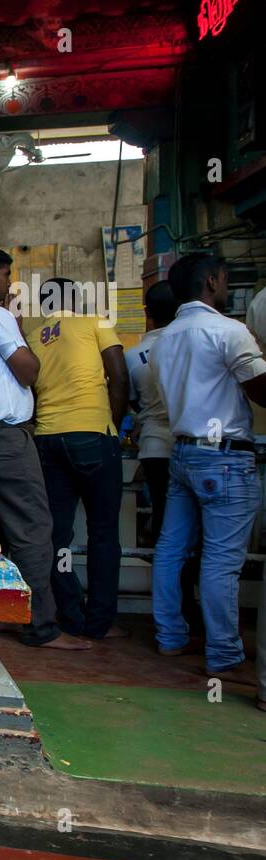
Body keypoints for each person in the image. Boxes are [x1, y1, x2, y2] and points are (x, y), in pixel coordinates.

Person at [151, 254, 266, 695]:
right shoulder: (228, 331)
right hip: (223, 458)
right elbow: (261, 389)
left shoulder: (163, 339)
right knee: (220, 561)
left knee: (171, 547)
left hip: (183, 452)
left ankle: (170, 638)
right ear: (213, 281)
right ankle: (224, 656)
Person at [0, 248, 89, 651]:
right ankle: (40, 625)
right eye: (7, 275)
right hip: (7, 438)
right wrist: (20, 332)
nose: (10, 283)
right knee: (33, 529)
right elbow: (29, 370)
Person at [22, 276, 129, 641]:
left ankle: (71, 614)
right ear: (78, 299)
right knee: (102, 533)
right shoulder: (95, 322)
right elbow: (119, 375)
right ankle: (98, 623)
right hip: (92, 436)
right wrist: (111, 426)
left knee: (57, 536)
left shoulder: (34, 337)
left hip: (48, 440)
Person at [125, 281, 202, 628]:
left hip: (154, 448)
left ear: (147, 313)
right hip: (194, 445)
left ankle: (171, 617)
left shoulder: (132, 356)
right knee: (201, 535)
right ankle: (193, 609)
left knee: (166, 532)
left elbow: (128, 403)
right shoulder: (196, 343)